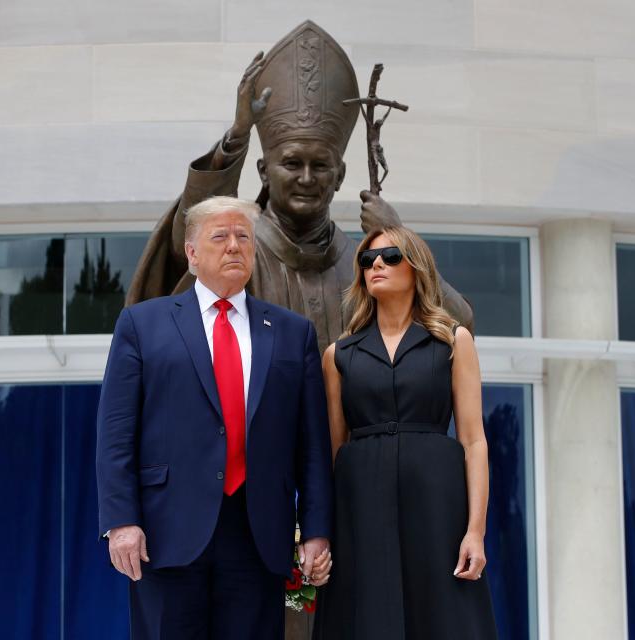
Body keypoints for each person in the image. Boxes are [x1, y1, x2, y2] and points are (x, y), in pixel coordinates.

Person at [127, 20, 473, 352]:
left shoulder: (365, 266)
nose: (307, 179)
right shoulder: (238, 254)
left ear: (339, 176)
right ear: (264, 171)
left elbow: (460, 329)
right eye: (292, 163)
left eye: (320, 165)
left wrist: (398, 243)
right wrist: (238, 135)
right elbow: (188, 236)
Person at [96, 196, 334, 639]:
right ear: (191, 252)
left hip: (258, 532)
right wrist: (121, 521)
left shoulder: (291, 332)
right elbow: (115, 434)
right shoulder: (142, 324)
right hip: (165, 532)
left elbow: (313, 446)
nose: (234, 247)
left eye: (243, 237)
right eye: (220, 236)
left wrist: (317, 530)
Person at [313, 226, 498, 639]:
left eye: (391, 256)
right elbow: (333, 450)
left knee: (442, 617)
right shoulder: (339, 355)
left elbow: (473, 440)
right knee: (364, 617)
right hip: (359, 505)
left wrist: (475, 531)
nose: (376, 264)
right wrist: (319, 530)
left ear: (416, 267)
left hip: (437, 502)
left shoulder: (452, 341)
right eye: (367, 259)